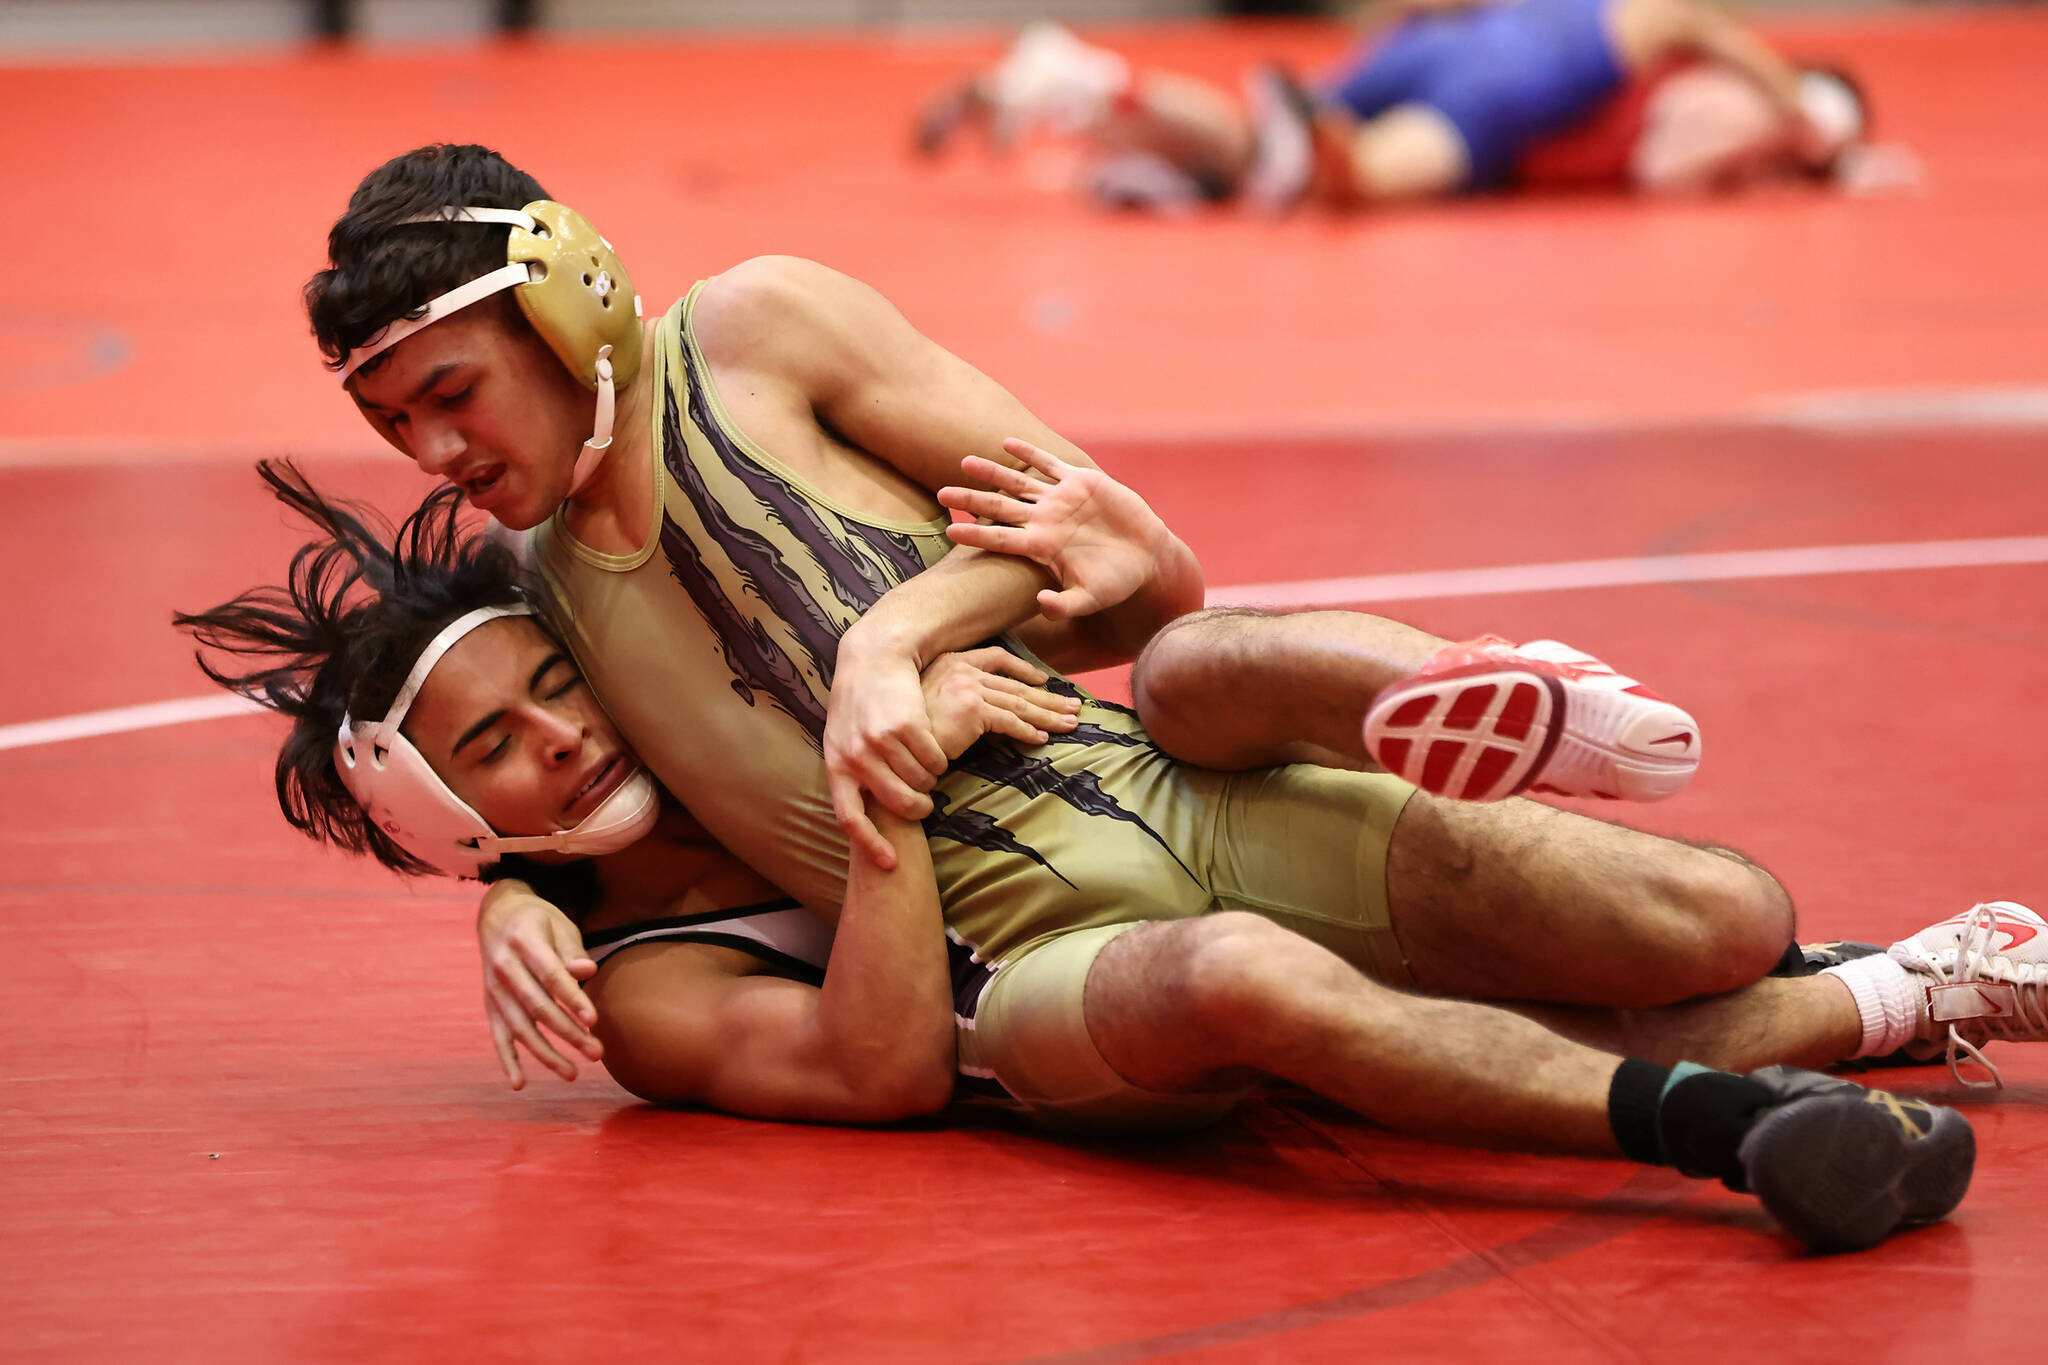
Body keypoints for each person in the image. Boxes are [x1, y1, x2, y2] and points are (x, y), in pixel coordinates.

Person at [180, 463, 2043, 1253]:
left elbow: (553, 545)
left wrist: (1055, 554)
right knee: (1238, 977)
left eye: (549, 696)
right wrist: (877, 772)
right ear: (441, 813)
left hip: (1130, 810)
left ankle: (1887, 976)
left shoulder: (648, 700)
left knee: (1708, 909)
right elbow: (885, 1068)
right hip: (1055, 1023)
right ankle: (1742, 1137)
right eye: (494, 751)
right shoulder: (652, 998)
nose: (564, 735)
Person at [915, 9, 1869, 211]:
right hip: (1499, 94)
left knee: (1255, 147)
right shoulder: (1724, 90)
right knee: (1354, 182)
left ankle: (1093, 81)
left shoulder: (1654, 48)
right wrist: (1807, 125)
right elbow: (1672, 170)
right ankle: (1304, 141)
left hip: (1443, 42)